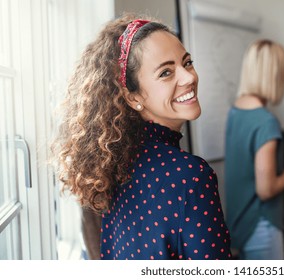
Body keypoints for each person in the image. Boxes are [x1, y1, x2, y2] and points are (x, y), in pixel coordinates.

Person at [52, 14, 232, 260]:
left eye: (187, 62)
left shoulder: (112, 167)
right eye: (166, 72)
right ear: (133, 97)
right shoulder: (190, 176)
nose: (189, 77)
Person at [224, 39, 284, 260]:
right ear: (276, 74)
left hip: (238, 222)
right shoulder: (265, 121)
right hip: (260, 225)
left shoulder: (235, 111)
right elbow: (267, 189)